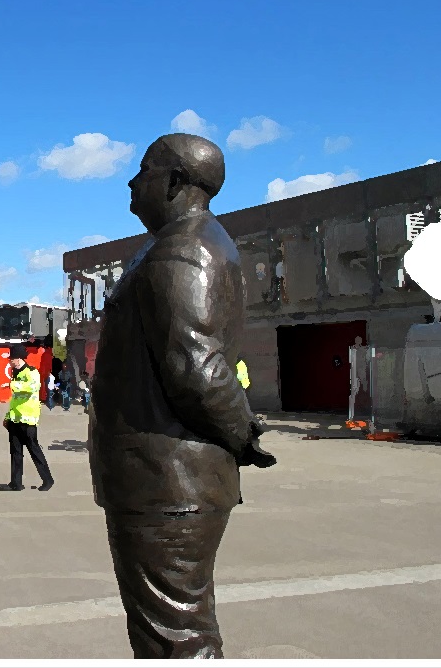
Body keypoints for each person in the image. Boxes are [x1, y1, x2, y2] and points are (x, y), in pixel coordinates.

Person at [89, 133, 276, 659]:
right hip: (166, 481)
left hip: (168, 482)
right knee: (171, 628)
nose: (131, 181)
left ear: (173, 181)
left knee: (176, 635)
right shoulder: (180, 243)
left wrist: (243, 435)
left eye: (143, 169)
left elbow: (196, 366)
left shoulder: (183, 249)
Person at [2, 345, 55, 492]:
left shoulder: (31, 372)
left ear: (17, 359)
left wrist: (12, 384)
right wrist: (7, 417)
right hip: (15, 419)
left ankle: (48, 480)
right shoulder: (16, 372)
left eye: (11, 359)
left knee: (34, 450)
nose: (9, 362)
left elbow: (33, 387)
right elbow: (15, 399)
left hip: (28, 421)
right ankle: (16, 483)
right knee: (15, 452)